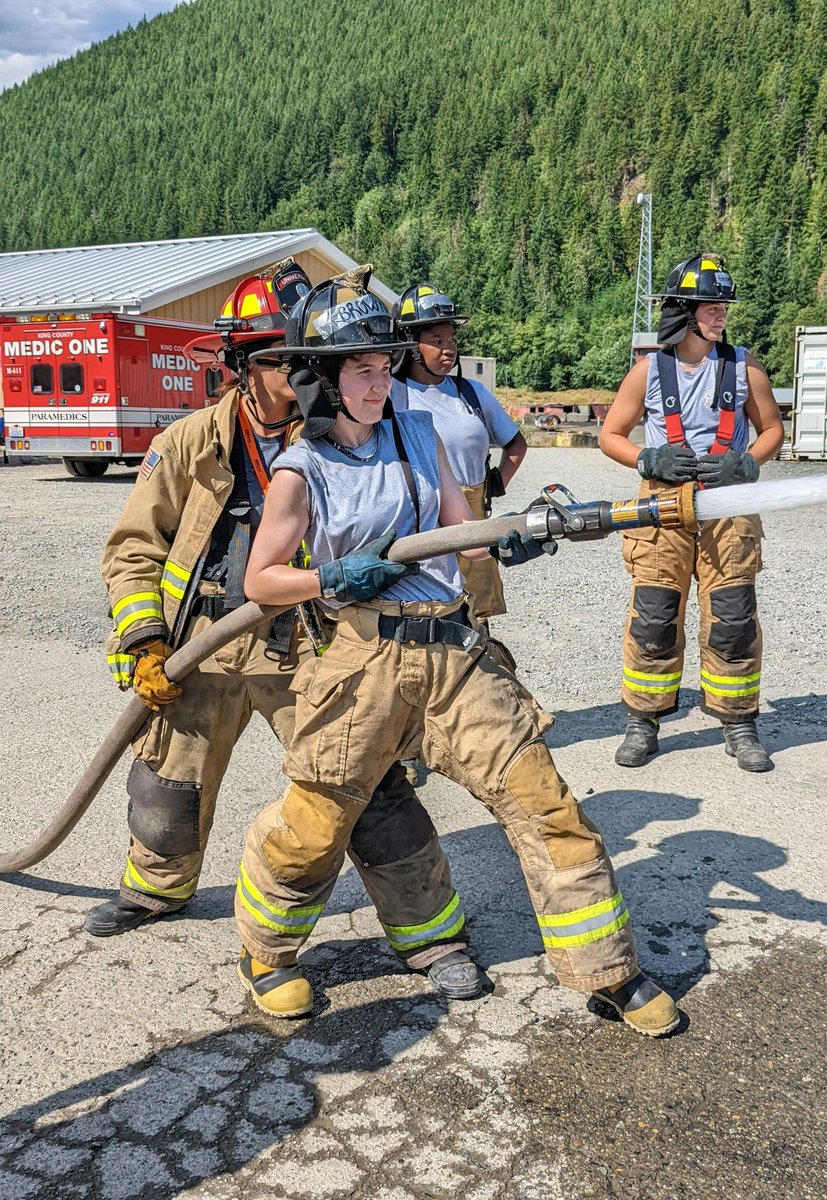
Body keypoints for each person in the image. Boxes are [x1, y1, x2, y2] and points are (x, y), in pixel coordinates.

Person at [231, 266, 679, 1037]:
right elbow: (261, 580)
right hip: (362, 661)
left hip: (451, 653)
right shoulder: (301, 470)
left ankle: (609, 971)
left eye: (385, 366)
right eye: (362, 370)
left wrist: (512, 537)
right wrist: (330, 577)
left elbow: (458, 531)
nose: (381, 383)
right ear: (322, 379)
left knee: (544, 803)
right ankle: (266, 955)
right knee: (316, 822)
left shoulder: (418, 434)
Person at [87, 263, 481, 1007]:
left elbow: (432, 525)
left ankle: (431, 935)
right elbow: (134, 549)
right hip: (202, 640)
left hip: (308, 639)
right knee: (168, 780)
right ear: (243, 365)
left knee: (364, 784)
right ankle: (155, 890)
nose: (301, 375)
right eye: (281, 360)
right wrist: (144, 641)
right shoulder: (190, 441)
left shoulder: (344, 435)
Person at [599, 254, 785, 772]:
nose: (721, 313)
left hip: (729, 506)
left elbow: (772, 429)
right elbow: (610, 435)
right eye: (711, 305)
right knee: (654, 615)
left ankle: (739, 723)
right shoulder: (648, 372)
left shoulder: (744, 367)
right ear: (684, 310)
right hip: (663, 504)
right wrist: (647, 458)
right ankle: (643, 721)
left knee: (733, 616)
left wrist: (748, 461)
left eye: (724, 305)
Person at [391, 284, 527, 658]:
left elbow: (516, 445)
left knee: (477, 619)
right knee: (426, 613)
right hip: (421, 526)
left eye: (452, 340)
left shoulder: (471, 393)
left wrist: (494, 485)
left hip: (473, 521)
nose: (448, 349)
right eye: (436, 341)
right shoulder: (390, 394)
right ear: (410, 344)